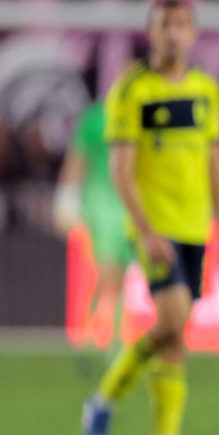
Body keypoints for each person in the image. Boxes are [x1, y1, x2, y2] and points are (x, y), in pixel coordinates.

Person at [81, 0, 219, 435]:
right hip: (155, 228)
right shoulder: (131, 90)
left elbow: (215, 162)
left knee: (175, 337)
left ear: (194, 34)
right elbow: (121, 171)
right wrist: (146, 232)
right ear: (151, 32)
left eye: (183, 24)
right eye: (165, 24)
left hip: (194, 227)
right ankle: (103, 400)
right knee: (171, 320)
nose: (174, 33)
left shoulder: (205, 89)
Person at [54, 100, 131, 355]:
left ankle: (111, 340)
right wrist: (66, 198)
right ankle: (94, 340)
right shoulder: (95, 119)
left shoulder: (143, 116)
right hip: (99, 205)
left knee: (118, 278)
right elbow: (77, 160)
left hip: (129, 206)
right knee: (106, 273)